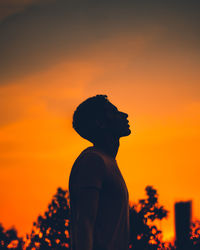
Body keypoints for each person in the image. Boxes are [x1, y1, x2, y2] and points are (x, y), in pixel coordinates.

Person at [68, 95, 131, 250]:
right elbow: (84, 223)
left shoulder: (107, 161)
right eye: (113, 112)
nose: (124, 115)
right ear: (100, 123)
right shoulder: (93, 160)